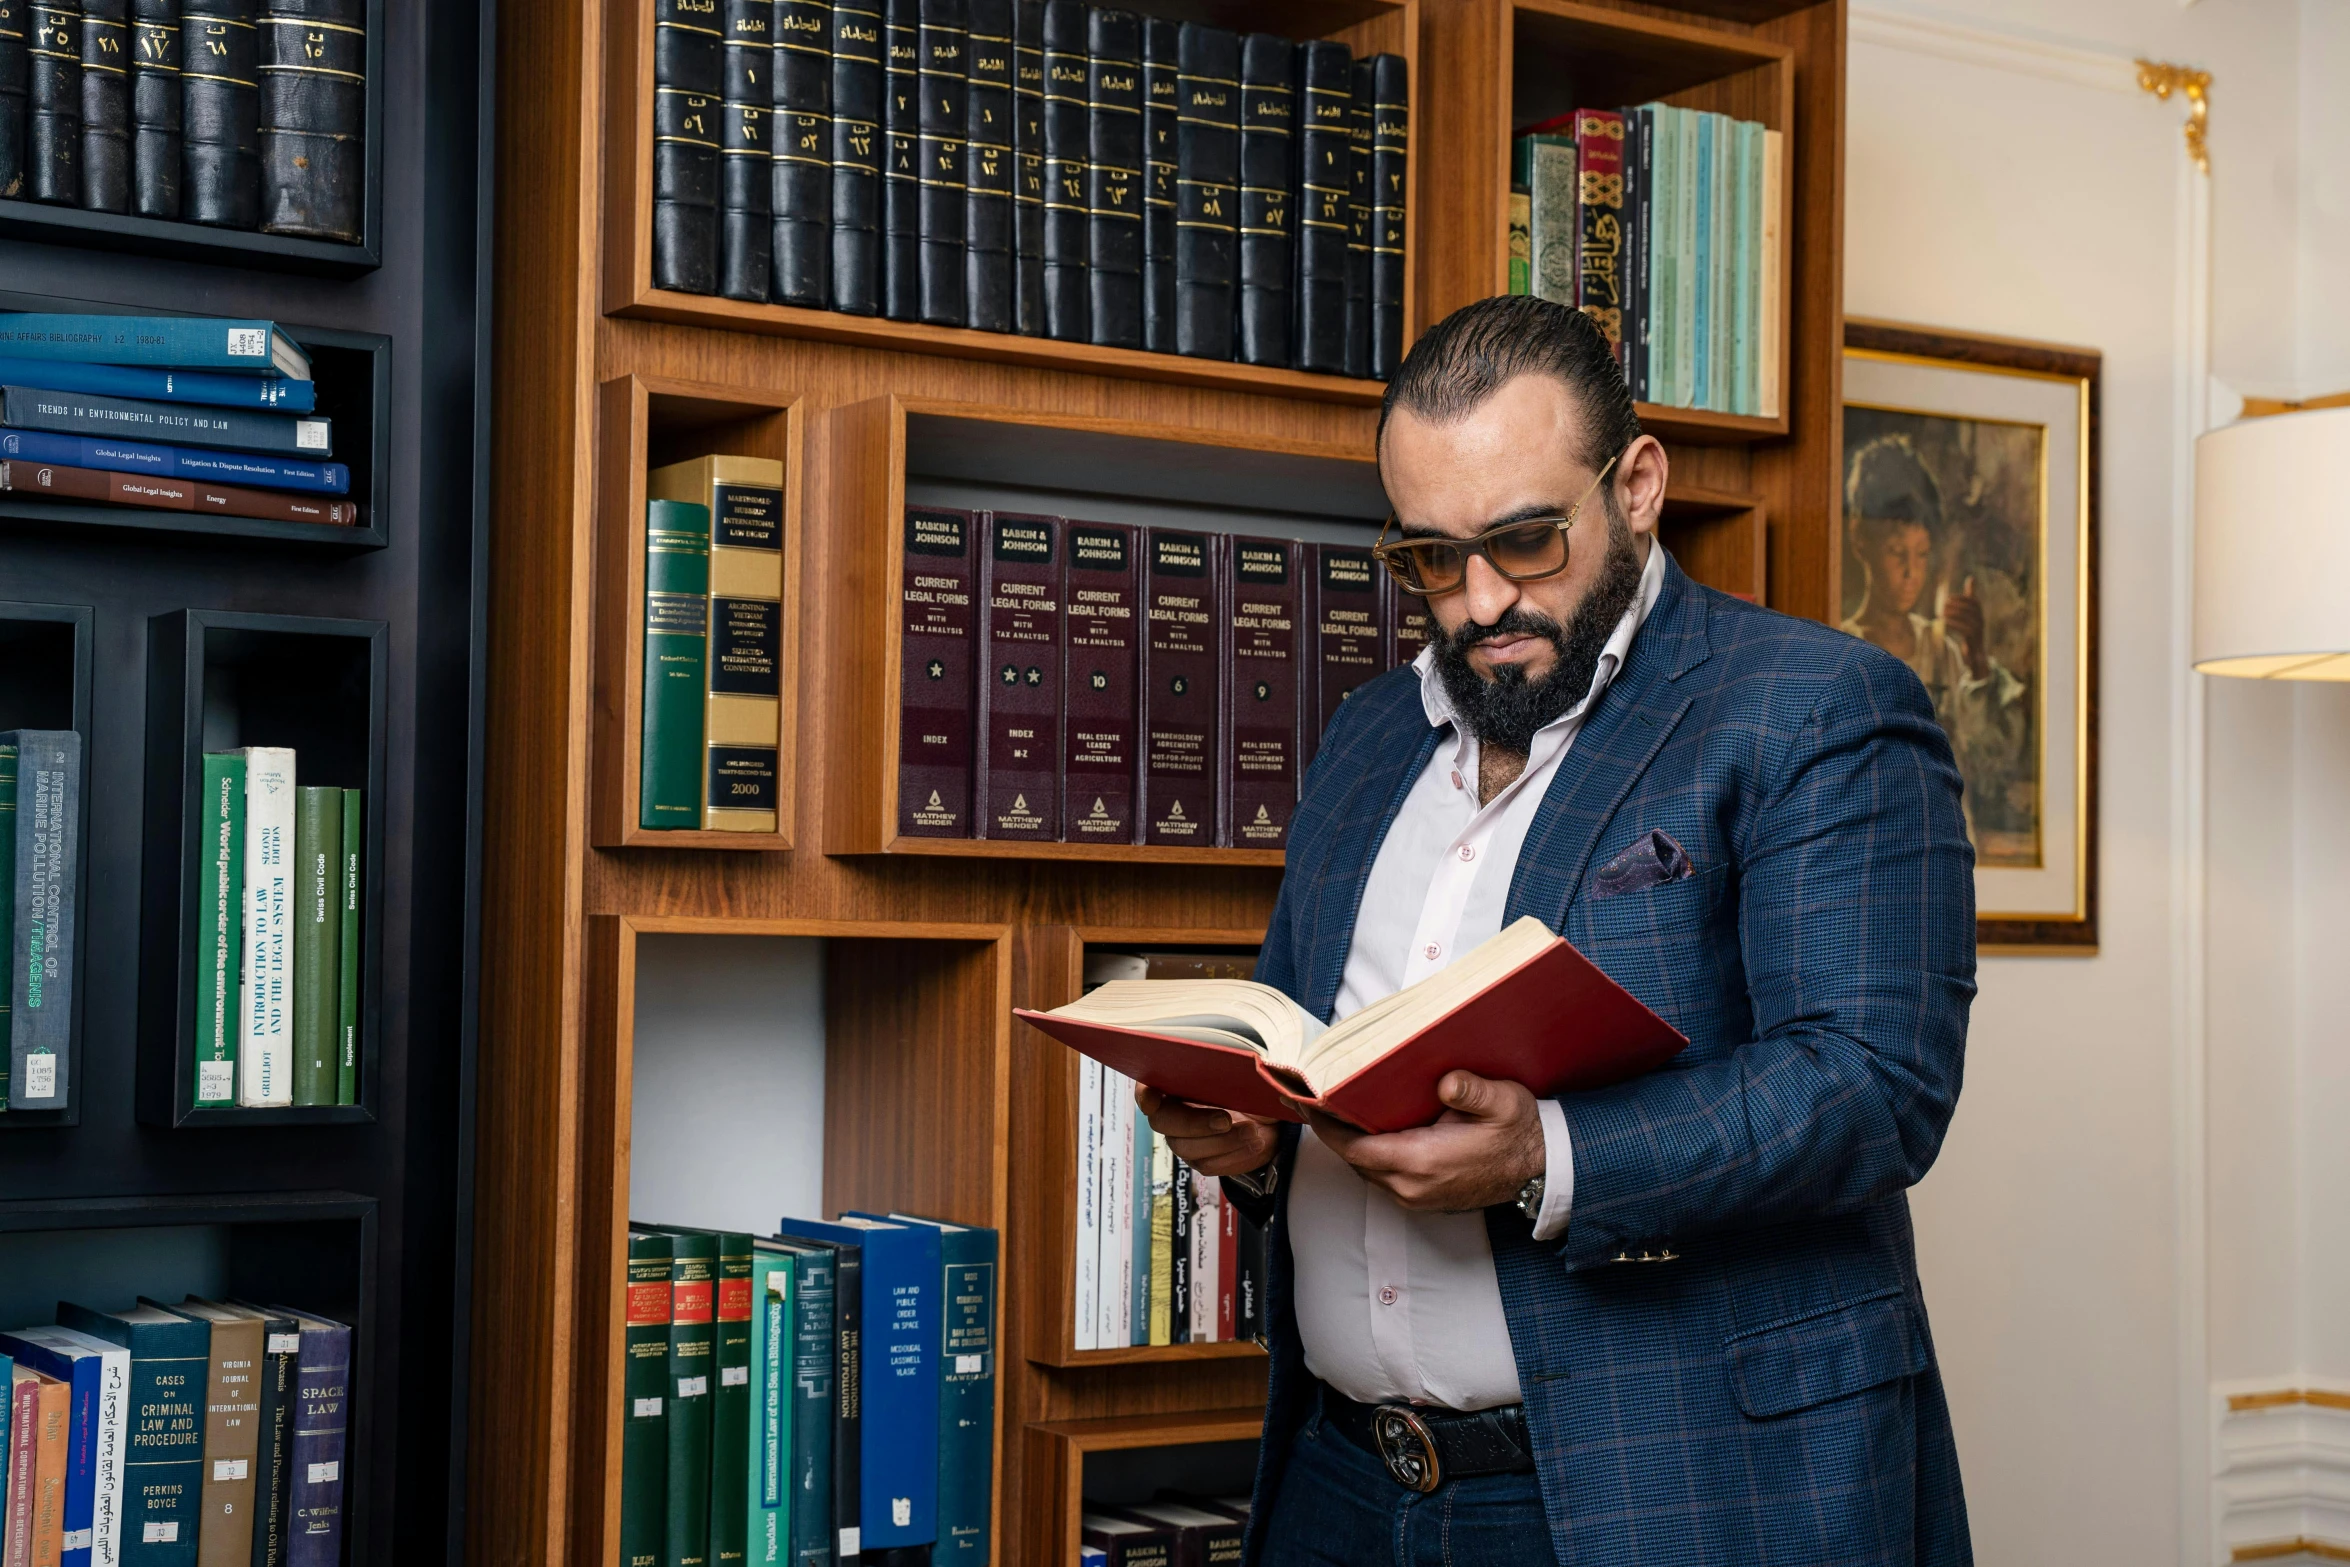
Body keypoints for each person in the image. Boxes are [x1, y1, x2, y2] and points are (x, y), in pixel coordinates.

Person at [1137, 295, 1977, 1566]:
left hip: (1666, 1488)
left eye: (1525, 540)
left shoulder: (1817, 708)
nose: (1479, 601)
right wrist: (1258, 1139)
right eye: (1428, 556)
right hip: (1340, 1483)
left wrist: (1547, 1155)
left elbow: (1871, 1086)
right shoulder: (1368, 739)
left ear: (1637, 485)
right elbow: (1316, 1050)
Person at [1840, 433, 2028, 843]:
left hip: (1945, 852)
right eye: (1896, 552)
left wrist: (1977, 660)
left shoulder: (1943, 650)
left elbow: (1992, 758)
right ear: (1860, 541)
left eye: (1921, 554)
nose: (1911, 572)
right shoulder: (1840, 649)